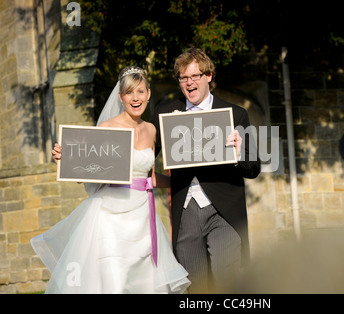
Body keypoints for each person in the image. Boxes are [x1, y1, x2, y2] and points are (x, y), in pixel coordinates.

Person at [31, 66, 190, 294]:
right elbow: (89, 172)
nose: (135, 98)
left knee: (145, 283)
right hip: (111, 218)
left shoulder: (152, 130)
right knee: (114, 282)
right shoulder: (108, 128)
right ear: (120, 97)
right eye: (129, 93)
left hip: (144, 218)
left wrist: (183, 180)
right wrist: (64, 160)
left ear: (148, 94)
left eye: (141, 91)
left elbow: (151, 178)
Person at [151, 48, 261, 293]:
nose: (189, 83)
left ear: (209, 76)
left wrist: (240, 151)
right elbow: (143, 154)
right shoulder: (165, 113)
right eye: (183, 78)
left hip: (224, 212)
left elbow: (254, 168)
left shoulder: (236, 114)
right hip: (185, 211)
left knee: (226, 282)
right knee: (196, 288)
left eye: (195, 76)